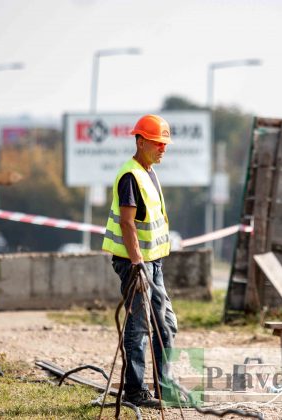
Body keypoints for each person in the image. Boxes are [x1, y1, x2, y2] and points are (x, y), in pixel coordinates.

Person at [102, 114, 178, 407]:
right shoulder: (131, 176)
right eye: (157, 143)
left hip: (152, 262)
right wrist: (137, 265)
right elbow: (127, 223)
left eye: (165, 143)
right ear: (140, 141)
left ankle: (164, 387)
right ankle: (135, 391)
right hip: (137, 264)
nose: (163, 148)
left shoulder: (148, 172)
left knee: (165, 324)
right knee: (139, 326)